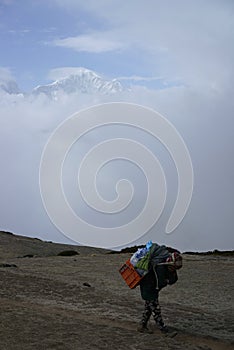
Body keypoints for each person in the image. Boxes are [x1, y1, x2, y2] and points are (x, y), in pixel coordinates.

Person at [137, 244, 182, 334]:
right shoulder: (160, 267)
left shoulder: (164, 266)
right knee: (156, 310)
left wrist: (167, 279)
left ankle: (142, 326)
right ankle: (163, 330)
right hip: (149, 288)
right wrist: (167, 280)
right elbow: (161, 282)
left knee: (149, 308)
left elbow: (171, 280)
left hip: (150, 288)